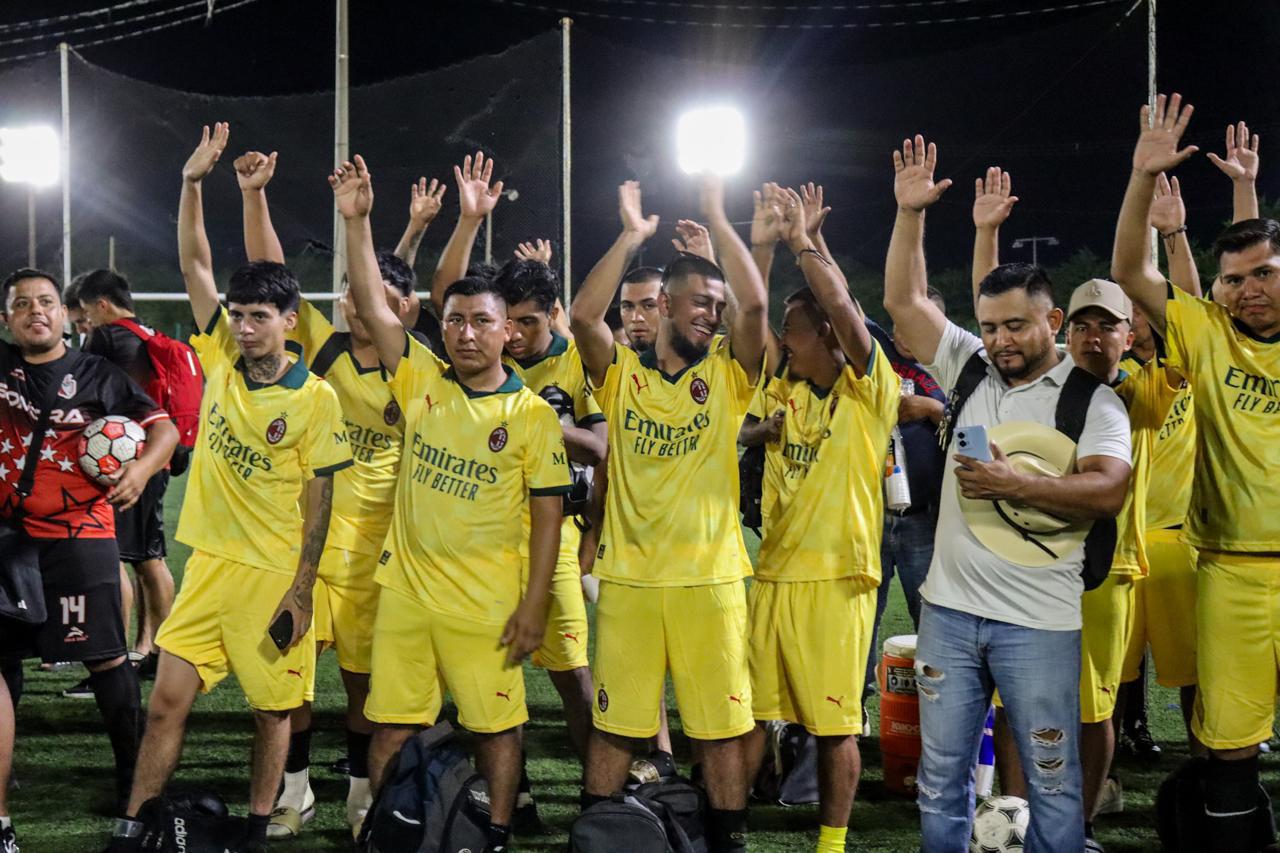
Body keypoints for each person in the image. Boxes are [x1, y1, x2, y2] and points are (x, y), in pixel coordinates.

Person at [107, 124, 352, 853]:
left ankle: (254, 830)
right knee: (165, 705)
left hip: (273, 575)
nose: (243, 327)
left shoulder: (315, 400)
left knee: (272, 713)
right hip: (209, 567)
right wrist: (191, 184)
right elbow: (195, 260)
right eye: (237, 315)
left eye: (259, 316)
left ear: (287, 321)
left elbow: (321, 501)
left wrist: (302, 589)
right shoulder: (216, 352)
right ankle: (131, 824)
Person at [883, 135, 1131, 852]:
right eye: (989, 327)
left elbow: (1109, 489)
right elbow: (903, 299)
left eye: (1017, 324)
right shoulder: (968, 368)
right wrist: (910, 215)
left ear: (1053, 321)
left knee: (1051, 780)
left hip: (1040, 624)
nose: (1001, 340)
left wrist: (1011, 482)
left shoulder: (1091, 401)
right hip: (950, 616)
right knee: (940, 776)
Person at [333, 154, 569, 853]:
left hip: (485, 603)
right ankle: (384, 830)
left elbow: (550, 515)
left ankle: (494, 832)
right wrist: (359, 219)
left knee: (497, 725)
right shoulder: (421, 379)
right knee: (393, 724)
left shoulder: (530, 414)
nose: (466, 331)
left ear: (508, 332)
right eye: (456, 319)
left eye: (481, 321)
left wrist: (533, 607)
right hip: (405, 593)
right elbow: (375, 306)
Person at [570, 177, 768, 853]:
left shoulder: (730, 381)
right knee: (616, 727)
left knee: (718, 728)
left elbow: (757, 305)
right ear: (662, 307)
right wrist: (631, 236)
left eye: (717, 304)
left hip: (710, 584)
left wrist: (718, 215)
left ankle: (729, 841)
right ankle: (595, 830)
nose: (713, 314)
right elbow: (581, 317)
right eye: (701, 304)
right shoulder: (623, 377)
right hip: (629, 581)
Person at [232, 149, 421, 840]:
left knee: (364, 684)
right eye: (346, 292)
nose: (352, 301)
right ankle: (296, 789)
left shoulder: (416, 366)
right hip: (309, 542)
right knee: (292, 674)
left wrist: (380, 225)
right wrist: (255, 197)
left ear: (401, 304)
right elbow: (274, 279)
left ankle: (362, 790)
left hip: (381, 552)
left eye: (365, 292)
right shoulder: (327, 347)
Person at [1110, 93, 1280, 852]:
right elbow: (1129, 270)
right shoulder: (1207, 337)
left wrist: (1247, 191)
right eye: (1235, 279)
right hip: (1233, 572)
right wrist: (1144, 179)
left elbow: (1254, 241)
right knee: (1231, 740)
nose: (1251, 288)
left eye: (1267, 274)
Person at [738, 189, 898, 853]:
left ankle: (830, 843)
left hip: (837, 580)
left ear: (826, 338)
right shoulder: (785, 391)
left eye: (793, 329)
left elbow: (842, 309)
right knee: (746, 714)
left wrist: (806, 244)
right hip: (774, 573)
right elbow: (751, 335)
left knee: (836, 726)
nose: (783, 338)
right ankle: (729, 828)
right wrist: (765, 247)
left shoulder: (869, 393)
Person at [0, 266, 177, 850]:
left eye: (46, 302)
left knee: (104, 658)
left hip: (82, 535)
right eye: (22, 304)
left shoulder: (98, 373)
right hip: (9, 539)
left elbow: (165, 431)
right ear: (7, 319)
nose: (35, 312)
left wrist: (142, 469)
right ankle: (5, 767)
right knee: (5, 660)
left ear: (65, 315)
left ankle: (130, 770)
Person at [76, 270, 178, 683]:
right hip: (157, 455)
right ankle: (153, 649)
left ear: (101, 304)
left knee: (112, 557)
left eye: (86, 313)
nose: (86, 323)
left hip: (119, 462)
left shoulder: (106, 337)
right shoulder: (148, 334)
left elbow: (77, 389)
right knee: (149, 558)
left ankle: (113, 659)